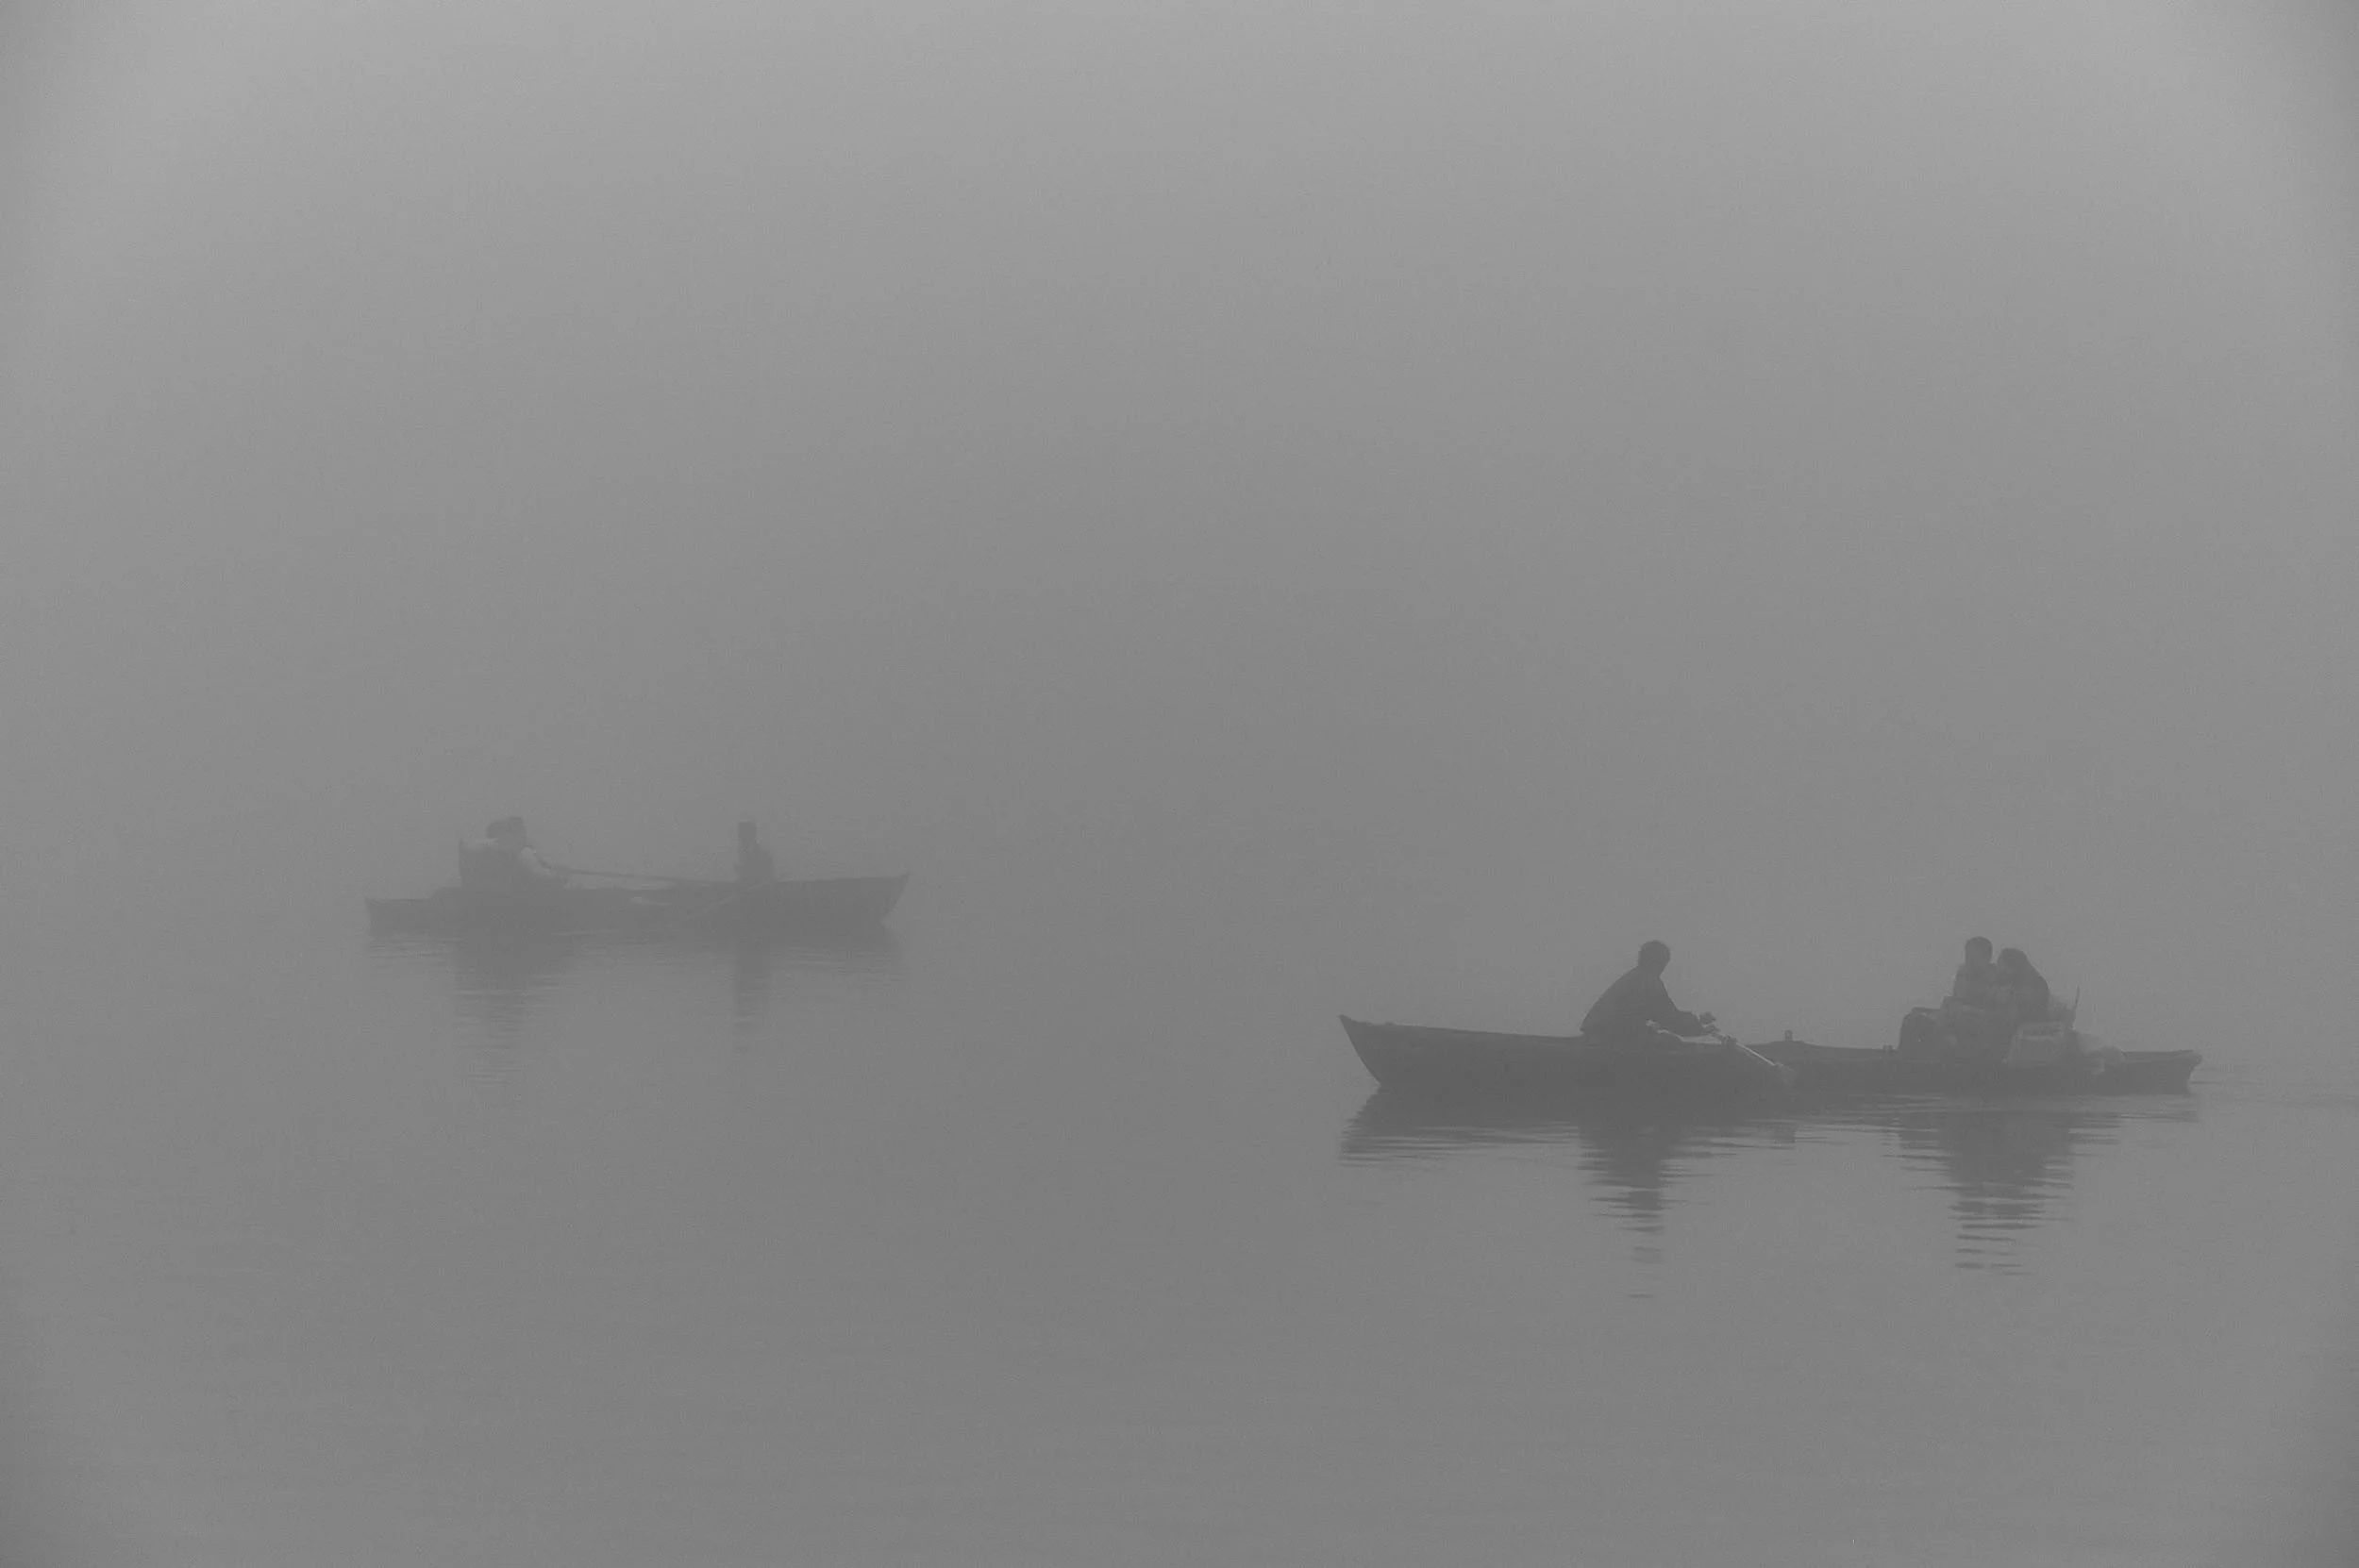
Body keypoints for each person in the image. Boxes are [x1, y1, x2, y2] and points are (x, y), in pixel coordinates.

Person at [1581, 940, 1715, 1044]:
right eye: (1663, 962)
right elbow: (1669, 1017)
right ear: (1658, 961)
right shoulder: (1649, 982)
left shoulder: (1634, 977)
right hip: (1613, 1037)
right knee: (1672, 1044)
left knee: (1662, 1039)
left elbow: (1660, 1015)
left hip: (1600, 1033)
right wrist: (1699, 1028)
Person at [458, 817, 566, 896]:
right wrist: (557, 876)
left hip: (483, 900)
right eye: (520, 830)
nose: (524, 834)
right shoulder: (522, 851)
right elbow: (538, 875)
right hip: (510, 903)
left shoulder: (477, 848)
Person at [1995, 947, 2051, 1025]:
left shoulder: (2033, 984)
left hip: (2026, 1030)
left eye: (2002, 968)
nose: (1998, 971)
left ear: (2012, 968)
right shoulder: (2018, 983)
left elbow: (2013, 1017)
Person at [1949, 937, 2000, 1009]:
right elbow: (1957, 998)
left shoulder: (1997, 976)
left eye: (1974, 957)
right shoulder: (1963, 972)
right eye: (1967, 956)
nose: (1969, 961)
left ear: (1987, 958)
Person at [734, 821, 776, 887]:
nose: (739, 837)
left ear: (752, 835)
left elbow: (766, 877)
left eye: (742, 834)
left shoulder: (762, 854)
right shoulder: (743, 852)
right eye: (740, 834)